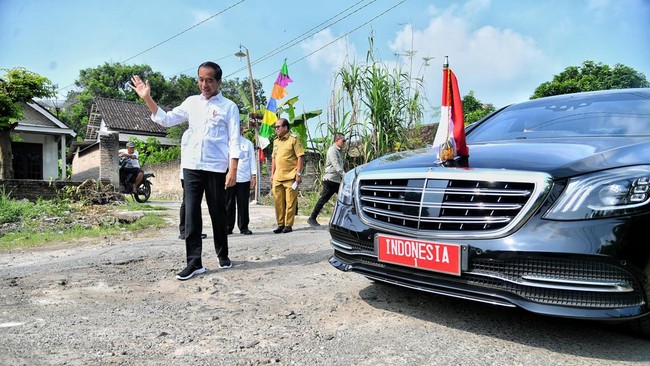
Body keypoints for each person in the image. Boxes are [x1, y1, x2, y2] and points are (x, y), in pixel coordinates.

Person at [130, 61, 240, 281]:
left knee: (218, 213)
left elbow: (234, 139)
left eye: (209, 80)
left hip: (216, 167)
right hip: (191, 166)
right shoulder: (191, 103)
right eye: (201, 79)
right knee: (191, 213)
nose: (204, 84)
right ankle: (194, 262)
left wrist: (233, 169)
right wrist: (147, 98)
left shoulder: (229, 107)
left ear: (218, 82)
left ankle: (222, 253)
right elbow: (166, 119)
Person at [270, 118, 304, 234]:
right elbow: (273, 158)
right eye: (275, 127)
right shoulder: (275, 142)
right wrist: (272, 174)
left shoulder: (293, 140)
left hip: (290, 177)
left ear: (285, 127)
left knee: (290, 202)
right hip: (277, 177)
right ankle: (280, 224)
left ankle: (288, 225)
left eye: (278, 127)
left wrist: (298, 174)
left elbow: (300, 156)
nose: (276, 129)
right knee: (278, 202)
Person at [308, 133, 346, 227]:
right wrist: (346, 175)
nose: (345, 142)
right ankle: (312, 218)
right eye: (343, 140)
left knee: (344, 199)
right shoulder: (332, 150)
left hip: (336, 180)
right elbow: (336, 165)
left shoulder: (339, 151)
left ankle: (341, 220)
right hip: (330, 180)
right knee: (324, 199)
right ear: (337, 140)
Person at [226, 124, 257, 235]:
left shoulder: (248, 143)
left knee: (243, 203)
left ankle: (244, 227)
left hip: (244, 178)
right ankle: (228, 227)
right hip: (230, 177)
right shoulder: (227, 142)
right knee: (229, 203)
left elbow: (252, 160)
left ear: (242, 130)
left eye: (238, 128)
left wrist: (254, 175)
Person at [178, 130, 207, 240]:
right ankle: (185, 230)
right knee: (188, 203)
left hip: (192, 172)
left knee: (193, 203)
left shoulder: (193, 133)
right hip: (189, 173)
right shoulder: (189, 134)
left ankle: (192, 230)